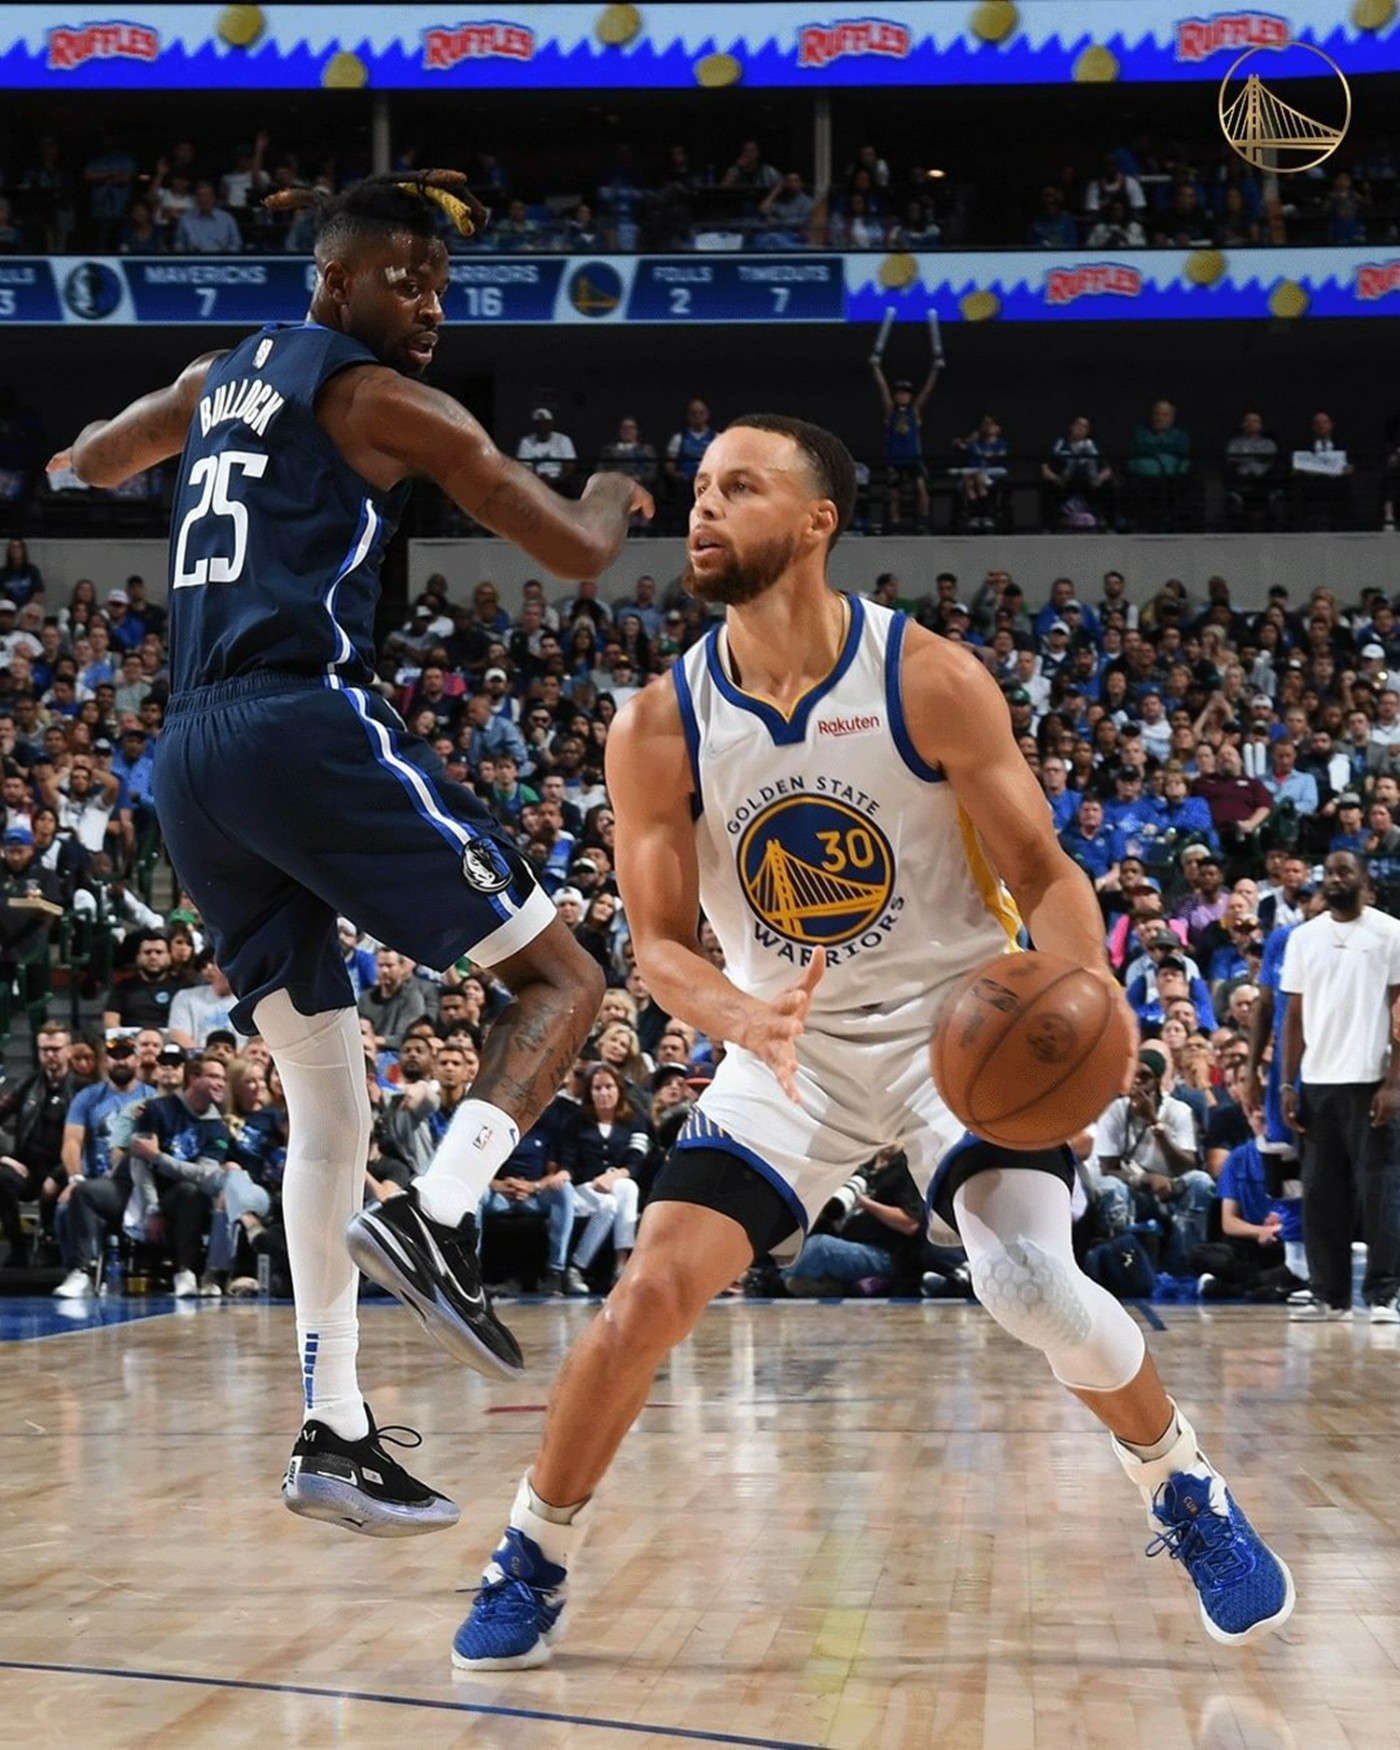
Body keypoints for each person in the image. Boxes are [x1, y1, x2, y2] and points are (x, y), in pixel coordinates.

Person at [450, 413, 1292, 1672]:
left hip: (959, 1031)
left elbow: (1044, 873)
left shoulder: (926, 678)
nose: (702, 507)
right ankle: (531, 1551)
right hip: (786, 1046)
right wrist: (739, 1017)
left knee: (1025, 1282)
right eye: (698, 486)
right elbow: (659, 947)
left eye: (738, 487)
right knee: (643, 1299)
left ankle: (1180, 1483)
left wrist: (1076, 993)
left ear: (815, 522)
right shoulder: (658, 722)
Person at [49, 169, 648, 1536]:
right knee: (566, 980)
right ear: (334, 281)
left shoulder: (212, 378)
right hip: (298, 722)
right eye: (404, 281)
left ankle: (334, 1426)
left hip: (189, 760)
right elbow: (572, 550)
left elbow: (104, 451)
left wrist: (66, 465)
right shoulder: (381, 400)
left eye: (441, 287)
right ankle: (441, 1210)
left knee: (329, 1105)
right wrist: (616, 492)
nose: (430, 306)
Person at [1280, 851, 1400, 1322]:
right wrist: (1287, 1084)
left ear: (1363, 879)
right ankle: (1329, 1296)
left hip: (1371, 1081)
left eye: (1344, 871)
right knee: (1320, 1194)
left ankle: (1384, 1294)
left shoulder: (1390, 932)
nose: (1334, 879)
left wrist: (1394, 1083)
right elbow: (1293, 1017)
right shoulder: (1303, 937)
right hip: (1317, 1083)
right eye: (1329, 872)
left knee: (1380, 1193)